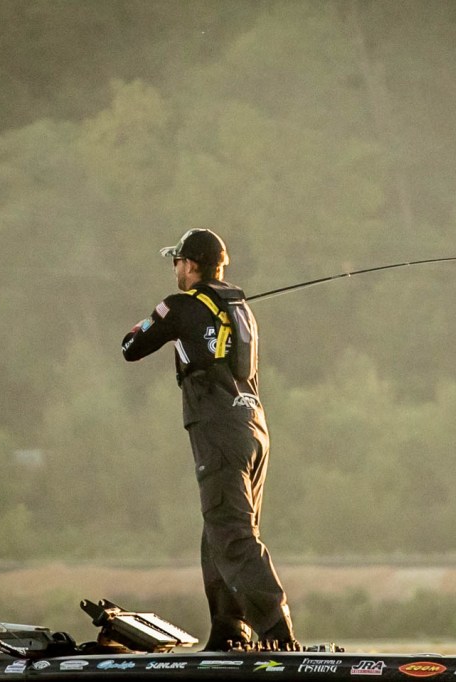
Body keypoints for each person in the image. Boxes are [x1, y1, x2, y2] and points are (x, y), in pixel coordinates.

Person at [121, 228, 297, 651]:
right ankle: (230, 632)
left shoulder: (179, 306)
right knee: (219, 534)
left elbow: (130, 347)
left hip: (218, 431)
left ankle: (278, 633)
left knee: (231, 534)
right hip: (254, 428)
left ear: (192, 265)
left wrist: (156, 320)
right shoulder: (242, 310)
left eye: (177, 262)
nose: (174, 269)